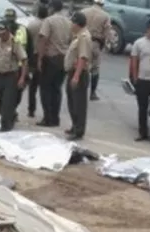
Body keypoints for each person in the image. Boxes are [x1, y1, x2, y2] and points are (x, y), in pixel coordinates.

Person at [35, 0, 72, 127]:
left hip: (50, 58)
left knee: (45, 89)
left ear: (51, 8)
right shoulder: (69, 21)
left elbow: (43, 39)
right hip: (64, 59)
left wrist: (39, 58)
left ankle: (48, 118)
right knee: (57, 89)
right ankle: (56, 118)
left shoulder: (49, 21)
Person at [0, 21, 27, 131]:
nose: (1, 35)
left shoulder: (15, 43)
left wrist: (22, 77)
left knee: (7, 102)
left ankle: (6, 126)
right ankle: (11, 115)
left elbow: (23, 61)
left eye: (3, 33)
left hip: (10, 76)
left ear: (8, 31)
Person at [64, 11, 92, 140]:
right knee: (72, 102)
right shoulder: (78, 35)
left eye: (72, 22)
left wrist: (76, 76)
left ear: (77, 24)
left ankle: (79, 130)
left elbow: (83, 57)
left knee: (79, 104)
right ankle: (74, 126)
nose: (71, 24)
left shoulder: (84, 37)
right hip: (72, 72)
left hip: (79, 74)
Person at [81, 0, 110, 101]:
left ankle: (81, 90)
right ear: (102, 4)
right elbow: (107, 33)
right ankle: (92, 93)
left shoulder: (84, 11)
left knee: (82, 65)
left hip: (83, 41)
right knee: (95, 68)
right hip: (95, 43)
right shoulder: (105, 16)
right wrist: (104, 45)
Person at [23, 4, 47, 119]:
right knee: (44, 86)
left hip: (33, 56)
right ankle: (47, 112)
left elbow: (27, 41)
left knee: (32, 86)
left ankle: (31, 110)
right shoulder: (47, 24)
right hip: (45, 56)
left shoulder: (32, 24)